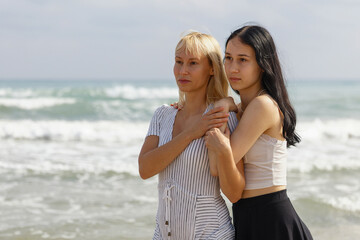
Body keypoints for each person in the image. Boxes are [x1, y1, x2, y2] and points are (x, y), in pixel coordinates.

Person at [204, 25, 313, 240]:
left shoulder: (262, 106)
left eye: (243, 60)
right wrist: (229, 105)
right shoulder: (244, 108)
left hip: (270, 219)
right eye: (228, 58)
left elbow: (219, 166)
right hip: (249, 216)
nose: (233, 67)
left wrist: (226, 108)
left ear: (262, 65)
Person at [138, 31, 238, 239]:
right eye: (178, 62)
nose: (183, 71)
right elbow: (145, 169)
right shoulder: (163, 115)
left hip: (212, 233)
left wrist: (229, 104)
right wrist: (191, 133)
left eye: (193, 63)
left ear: (211, 68)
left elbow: (234, 191)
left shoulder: (221, 117)